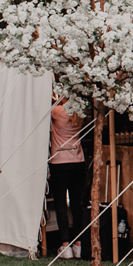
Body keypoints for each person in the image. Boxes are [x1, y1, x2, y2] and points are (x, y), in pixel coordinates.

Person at [47, 97, 87, 257]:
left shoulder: (57, 111)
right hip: (78, 159)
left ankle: (65, 245)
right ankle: (78, 244)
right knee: (77, 204)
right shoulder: (81, 112)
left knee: (61, 203)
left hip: (60, 160)